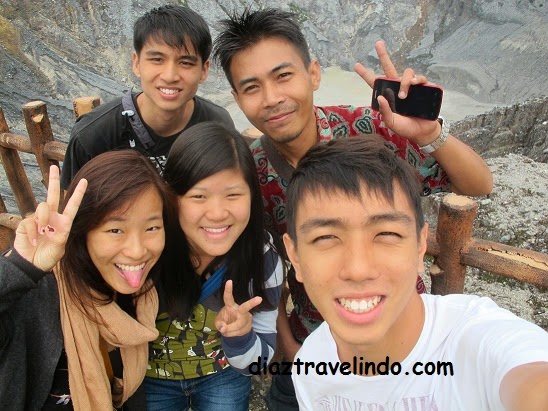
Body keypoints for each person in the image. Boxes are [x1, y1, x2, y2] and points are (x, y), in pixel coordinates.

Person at [212, 8, 494, 408]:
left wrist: (430, 133)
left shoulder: (373, 131)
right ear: (237, 97)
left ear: (313, 74)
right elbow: (265, 266)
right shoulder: (249, 174)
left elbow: (478, 184)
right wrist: (291, 348)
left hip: (401, 343)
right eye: (252, 87)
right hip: (312, 344)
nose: (272, 98)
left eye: (283, 76)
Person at [283, 137, 548, 410]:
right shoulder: (311, 365)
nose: (358, 270)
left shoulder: (475, 345)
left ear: (420, 246)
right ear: (296, 257)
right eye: (325, 238)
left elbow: (532, 381)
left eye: (387, 234)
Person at [0, 150, 178, 410]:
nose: (137, 250)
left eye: (152, 228)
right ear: (82, 232)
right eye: (115, 230)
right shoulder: (36, 294)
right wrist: (20, 267)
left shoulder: (144, 294)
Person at [144, 122, 284, 410]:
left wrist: (241, 336)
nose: (218, 213)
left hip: (223, 375)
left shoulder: (263, 260)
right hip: (150, 378)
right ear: (171, 197)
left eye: (233, 195)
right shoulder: (147, 250)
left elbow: (259, 363)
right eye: (199, 196)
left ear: (252, 195)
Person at [60, 4, 235, 189]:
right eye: (157, 60)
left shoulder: (217, 124)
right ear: (136, 63)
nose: (170, 76)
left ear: (204, 70)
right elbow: (71, 204)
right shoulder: (93, 136)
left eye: (185, 62)